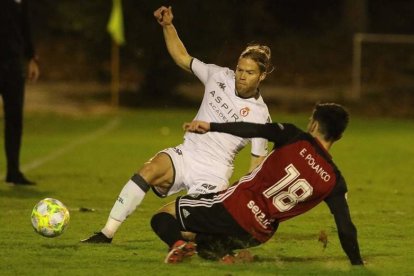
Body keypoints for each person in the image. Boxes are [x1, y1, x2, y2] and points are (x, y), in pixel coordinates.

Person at [82, 5, 273, 243]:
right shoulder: (218, 76)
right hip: (186, 154)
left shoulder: (260, 116)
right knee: (148, 170)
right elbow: (183, 58)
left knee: (180, 224)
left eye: (250, 73)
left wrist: (242, 199)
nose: (241, 76)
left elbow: (256, 167)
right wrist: (168, 26)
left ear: (262, 76)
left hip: (214, 173)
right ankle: (106, 233)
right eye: (239, 69)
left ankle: (193, 242)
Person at [150, 103, 364, 265]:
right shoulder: (334, 179)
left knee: (164, 215)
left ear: (314, 124)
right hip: (258, 232)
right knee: (203, 241)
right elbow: (345, 227)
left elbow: (253, 129)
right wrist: (358, 264)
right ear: (339, 136)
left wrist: (212, 126)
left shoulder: (293, 136)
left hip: (234, 207)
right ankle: (223, 254)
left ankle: (177, 245)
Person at [0, 0, 39, 185]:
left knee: (14, 119)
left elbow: (25, 25)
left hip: (13, 63)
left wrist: (31, 58)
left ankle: (13, 171)